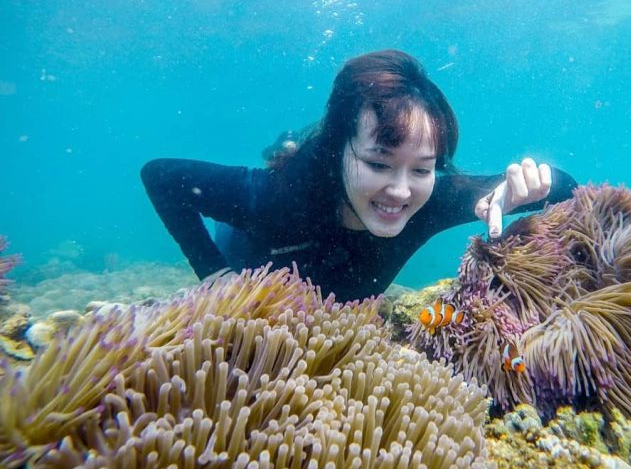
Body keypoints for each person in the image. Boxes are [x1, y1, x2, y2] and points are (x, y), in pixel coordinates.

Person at [141, 50, 577, 302]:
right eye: (377, 163)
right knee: (284, 156)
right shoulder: (276, 197)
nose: (401, 191)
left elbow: (564, 188)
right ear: (339, 152)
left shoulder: (431, 199)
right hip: (243, 242)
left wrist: (530, 186)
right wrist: (216, 276)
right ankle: (288, 146)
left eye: (423, 167)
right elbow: (160, 176)